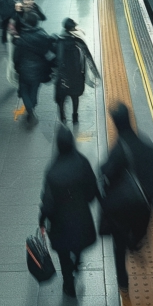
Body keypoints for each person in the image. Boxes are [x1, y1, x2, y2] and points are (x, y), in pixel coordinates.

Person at [99, 103, 153, 291]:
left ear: (115, 124)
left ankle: (123, 281)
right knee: (138, 232)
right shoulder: (146, 145)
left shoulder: (119, 149)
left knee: (118, 245)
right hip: (143, 206)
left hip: (122, 208)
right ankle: (135, 243)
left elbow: (106, 172)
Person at [39, 127, 99, 296]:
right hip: (81, 217)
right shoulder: (82, 162)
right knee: (77, 243)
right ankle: (78, 260)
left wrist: (42, 219)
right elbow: (92, 191)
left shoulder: (52, 171)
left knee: (64, 254)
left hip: (60, 223)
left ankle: (68, 283)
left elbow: (48, 203)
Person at [54, 18, 99, 124]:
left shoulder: (60, 41)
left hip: (63, 77)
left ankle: (62, 116)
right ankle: (75, 116)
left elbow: (58, 59)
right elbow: (88, 56)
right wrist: (95, 72)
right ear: (72, 29)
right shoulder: (77, 41)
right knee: (75, 97)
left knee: (61, 99)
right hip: (76, 75)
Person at [13, 11, 54, 125]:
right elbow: (48, 53)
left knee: (23, 90)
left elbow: (16, 56)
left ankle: (30, 110)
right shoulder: (43, 35)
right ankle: (32, 107)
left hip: (24, 69)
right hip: (39, 69)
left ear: (25, 23)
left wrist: (17, 68)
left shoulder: (22, 38)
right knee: (34, 89)